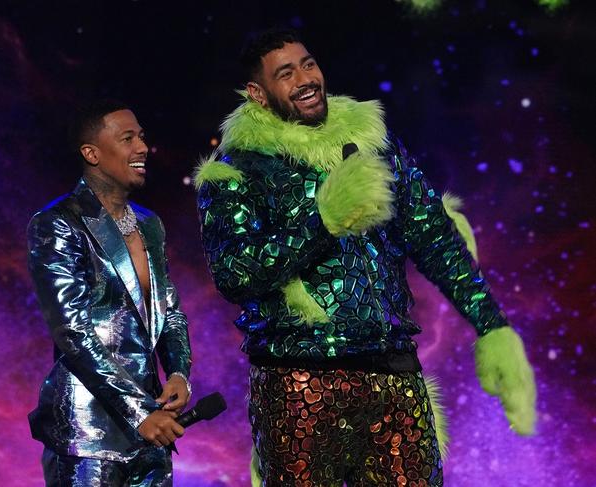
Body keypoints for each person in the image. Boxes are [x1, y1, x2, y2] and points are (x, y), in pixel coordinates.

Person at [194, 29, 536, 486]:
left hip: (393, 375)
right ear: (257, 94)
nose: (305, 79)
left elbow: (433, 235)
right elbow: (234, 274)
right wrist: (322, 223)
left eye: (308, 64)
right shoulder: (238, 168)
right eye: (285, 73)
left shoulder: (375, 142)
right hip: (299, 386)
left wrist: (492, 325)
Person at [27, 100, 192, 486]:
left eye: (142, 137)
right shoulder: (58, 224)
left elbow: (170, 309)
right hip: (89, 437)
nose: (141, 147)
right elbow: (72, 331)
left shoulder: (150, 225)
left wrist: (180, 371)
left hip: (152, 430)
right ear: (92, 153)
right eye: (128, 138)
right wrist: (138, 413)